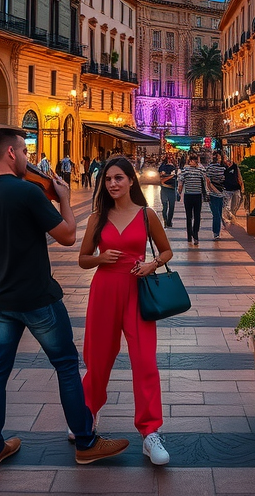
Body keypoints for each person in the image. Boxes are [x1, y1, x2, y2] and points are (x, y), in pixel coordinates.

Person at [0, 128, 129, 473]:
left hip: (0, 297)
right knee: (67, 366)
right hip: (37, 295)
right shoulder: (26, 191)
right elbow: (69, 236)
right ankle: (86, 443)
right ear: (11, 153)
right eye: (24, 151)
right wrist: (66, 198)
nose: (28, 158)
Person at [79, 156, 173, 465]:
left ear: (131, 181)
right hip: (105, 289)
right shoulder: (97, 217)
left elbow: (166, 250)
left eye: (119, 178)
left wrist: (152, 264)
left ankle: (150, 433)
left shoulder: (146, 215)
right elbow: (83, 258)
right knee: (98, 358)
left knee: (145, 361)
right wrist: (99, 259)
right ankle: (88, 414)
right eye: (108, 179)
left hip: (137, 291)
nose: (113, 184)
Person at [177, 154, 208, 247]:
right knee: (190, 216)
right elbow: (181, 182)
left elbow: (205, 179)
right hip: (191, 196)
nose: (194, 162)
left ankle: (195, 234)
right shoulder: (187, 170)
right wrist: (179, 190)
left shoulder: (199, 170)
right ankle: (190, 235)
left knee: (196, 216)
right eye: (193, 160)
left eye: (195, 160)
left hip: (196, 196)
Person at [205, 152, 226, 240]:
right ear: (219, 158)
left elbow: (208, 181)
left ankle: (216, 232)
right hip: (220, 193)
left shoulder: (209, 168)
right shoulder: (224, 168)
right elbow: (225, 179)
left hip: (213, 193)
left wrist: (209, 190)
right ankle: (216, 232)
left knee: (216, 214)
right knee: (218, 213)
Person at [222, 153, 244, 224]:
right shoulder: (223, 167)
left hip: (236, 188)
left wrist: (242, 185)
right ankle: (230, 217)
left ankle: (233, 216)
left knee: (236, 203)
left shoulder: (235, 166)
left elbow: (239, 176)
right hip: (227, 189)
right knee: (226, 206)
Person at [158, 154, 178, 228]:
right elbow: (175, 177)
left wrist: (165, 177)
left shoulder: (162, 167)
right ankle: (168, 221)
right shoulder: (173, 167)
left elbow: (161, 178)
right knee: (170, 206)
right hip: (170, 189)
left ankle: (167, 221)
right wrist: (171, 176)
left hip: (165, 189)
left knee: (165, 206)